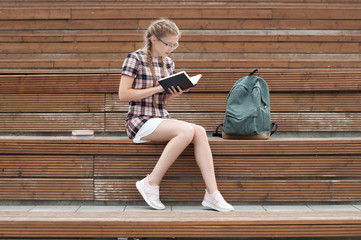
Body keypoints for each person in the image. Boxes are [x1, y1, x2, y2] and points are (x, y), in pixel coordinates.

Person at [118, 18, 234, 212]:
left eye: (175, 44)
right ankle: (151, 183)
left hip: (160, 118)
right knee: (186, 131)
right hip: (139, 120)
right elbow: (124, 94)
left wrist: (173, 93)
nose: (171, 48)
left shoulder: (168, 62)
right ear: (154, 39)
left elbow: (162, 101)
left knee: (199, 131)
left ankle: (212, 194)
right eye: (168, 44)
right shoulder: (135, 58)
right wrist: (156, 89)